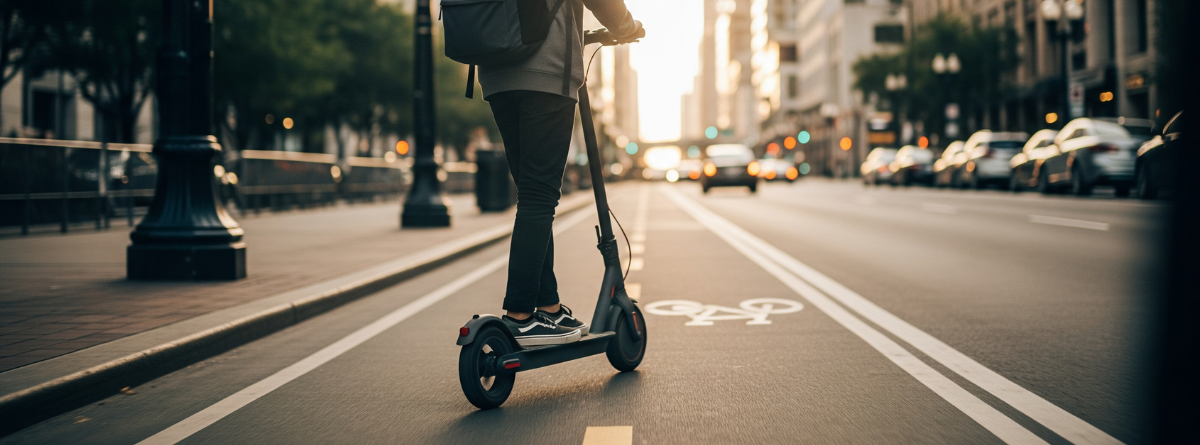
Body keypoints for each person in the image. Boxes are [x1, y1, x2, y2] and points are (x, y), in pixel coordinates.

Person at [477, 0, 642, 347]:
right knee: (539, 197)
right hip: (546, 72)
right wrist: (625, 26)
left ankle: (549, 308)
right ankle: (520, 316)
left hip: (495, 73)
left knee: (532, 197)